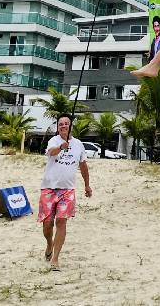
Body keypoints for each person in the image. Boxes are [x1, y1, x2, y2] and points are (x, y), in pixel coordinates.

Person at [39, 114, 92, 271]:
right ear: (58, 127)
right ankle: (49, 243)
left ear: (71, 126)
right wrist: (62, 146)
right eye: (60, 124)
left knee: (61, 222)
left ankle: (55, 258)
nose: (63, 126)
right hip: (49, 188)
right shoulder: (53, 141)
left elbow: (83, 166)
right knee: (47, 224)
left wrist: (87, 185)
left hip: (67, 190)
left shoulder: (78, 145)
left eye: (66, 123)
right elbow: (51, 152)